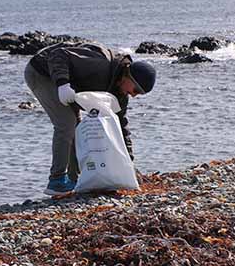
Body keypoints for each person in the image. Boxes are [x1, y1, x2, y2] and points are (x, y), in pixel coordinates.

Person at [24, 41, 156, 195]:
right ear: (128, 75)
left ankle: (75, 180)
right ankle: (56, 180)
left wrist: (129, 164)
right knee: (66, 123)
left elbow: (121, 127)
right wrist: (63, 84)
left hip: (70, 81)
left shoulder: (120, 92)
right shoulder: (101, 63)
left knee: (78, 128)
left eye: (138, 94)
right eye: (136, 90)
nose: (133, 95)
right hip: (42, 72)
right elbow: (58, 55)